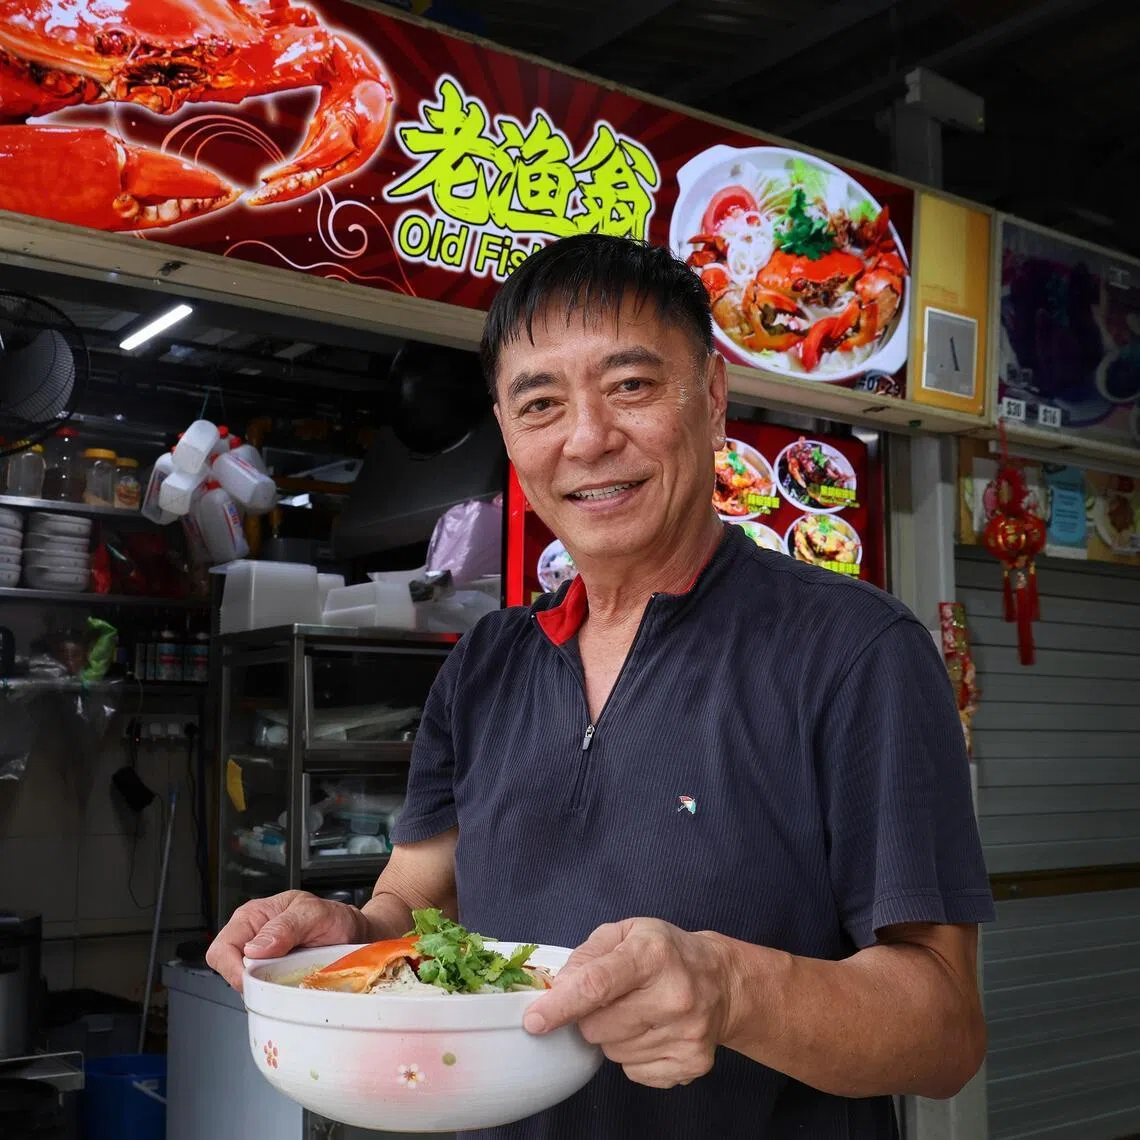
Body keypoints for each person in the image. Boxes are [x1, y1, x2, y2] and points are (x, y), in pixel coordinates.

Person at [208, 234, 995, 1138]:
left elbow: (945, 1031)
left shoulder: (856, 652)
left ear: (711, 397)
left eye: (630, 386)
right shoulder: (486, 663)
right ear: (508, 434)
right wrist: (344, 934)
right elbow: (417, 904)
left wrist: (732, 990)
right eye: (540, 403)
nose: (587, 438)